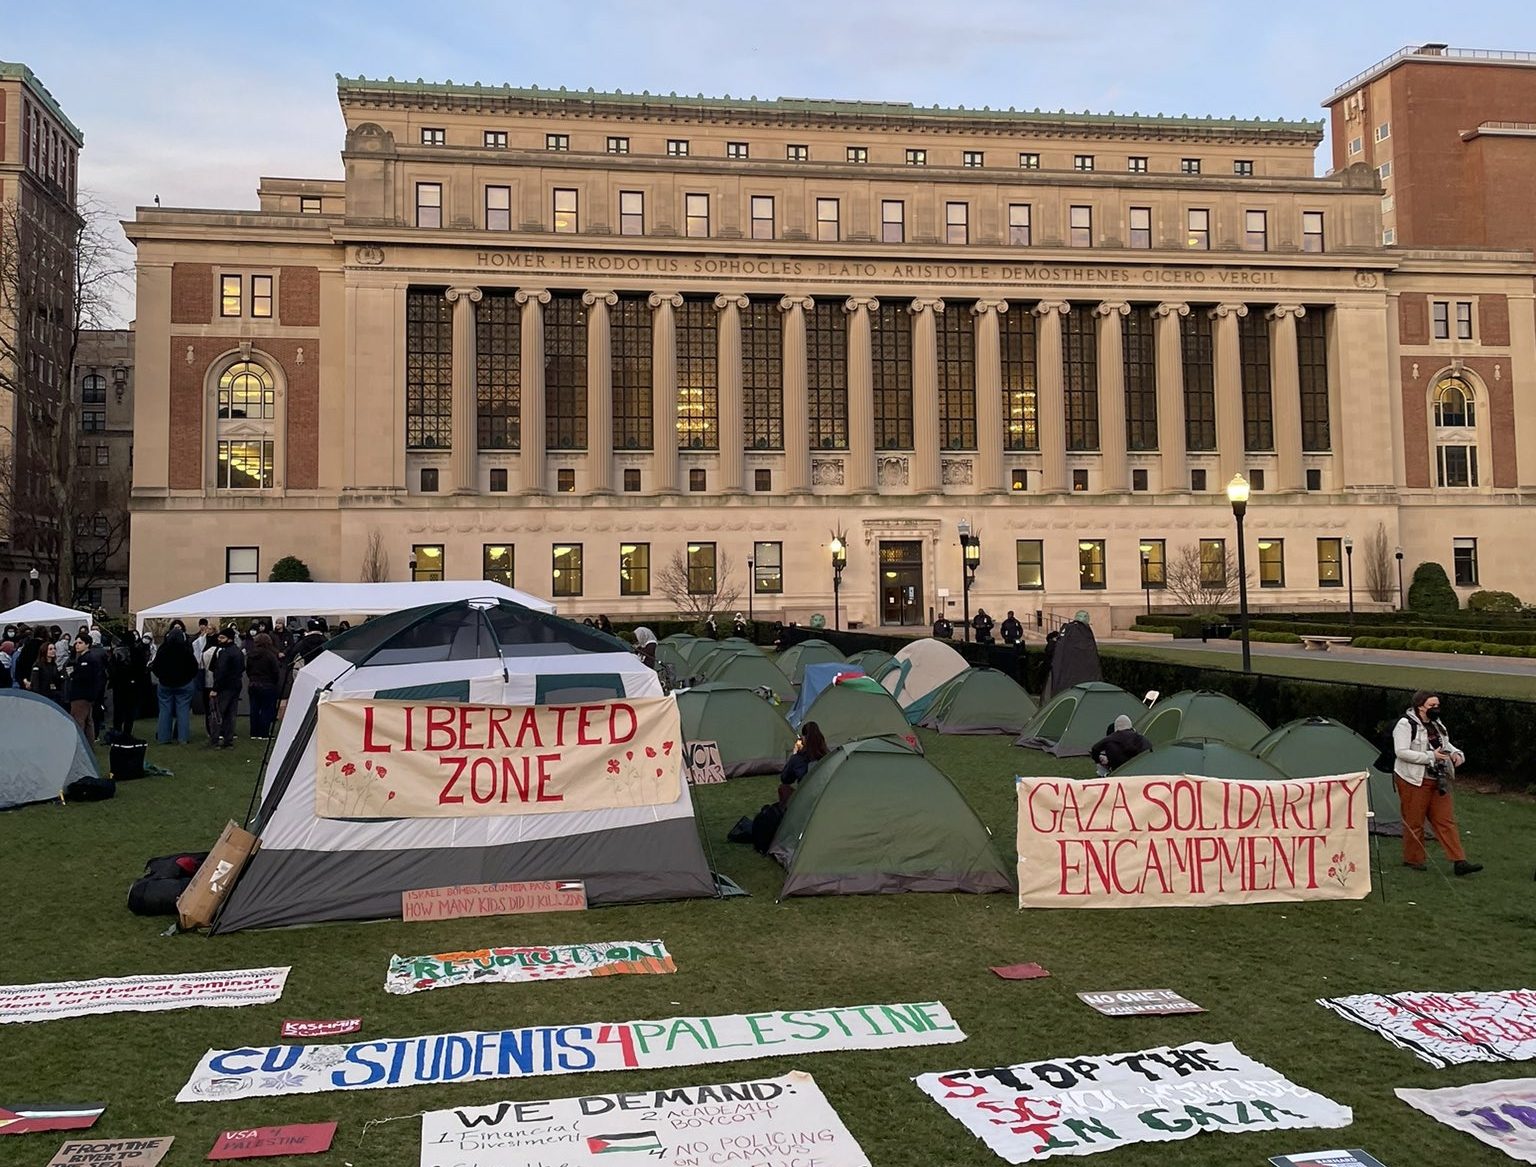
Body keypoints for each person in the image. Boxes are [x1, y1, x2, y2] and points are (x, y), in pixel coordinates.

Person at [1392, 690, 1482, 876]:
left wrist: (1456, 754)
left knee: (1446, 820)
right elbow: (1401, 752)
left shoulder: (1437, 724)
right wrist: (1430, 756)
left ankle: (1459, 861)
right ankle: (1413, 859)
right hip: (1413, 779)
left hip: (1438, 778)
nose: (1436, 709)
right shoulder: (1405, 724)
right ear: (1420, 706)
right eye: (1431, 706)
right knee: (1414, 821)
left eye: (1437, 706)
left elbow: (1445, 745)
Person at [150, 626, 199, 744]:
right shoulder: (186, 650)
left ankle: (163, 738)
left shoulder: (163, 649)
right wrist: (188, 677)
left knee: (164, 711)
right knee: (183, 711)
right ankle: (183, 738)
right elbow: (194, 667)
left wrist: (162, 677)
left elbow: (155, 666)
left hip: (165, 684)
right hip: (184, 684)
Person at [209, 626, 245, 749]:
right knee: (231, 714)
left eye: (222, 637)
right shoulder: (238, 651)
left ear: (229, 639)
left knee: (218, 714)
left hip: (224, 687)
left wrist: (215, 688)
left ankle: (215, 740)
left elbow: (220, 671)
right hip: (236, 685)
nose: (219, 639)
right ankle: (228, 740)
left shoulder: (225, 653)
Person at [778, 721, 830, 802]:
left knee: (783, 788)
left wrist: (794, 754)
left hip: (807, 798)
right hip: (825, 795)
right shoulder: (828, 755)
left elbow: (785, 778)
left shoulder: (798, 759)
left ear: (804, 739)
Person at [66, 633, 104, 740]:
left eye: (80, 643)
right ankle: (88, 746)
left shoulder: (87, 659)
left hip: (81, 695)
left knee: (79, 721)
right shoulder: (83, 658)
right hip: (86, 695)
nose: (77, 645)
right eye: (76, 643)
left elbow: (84, 677)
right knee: (88, 721)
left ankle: (80, 746)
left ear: (87, 644)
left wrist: (73, 675)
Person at [245, 631, 282, 739]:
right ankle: (264, 732)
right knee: (267, 709)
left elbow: (248, 669)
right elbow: (275, 671)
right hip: (267, 684)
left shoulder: (250, 655)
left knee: (254, 709)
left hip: (253, 683)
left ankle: (254, 732)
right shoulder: (270, 655)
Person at [28, 641, 65, 706]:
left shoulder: (54, 665)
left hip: (53, 695)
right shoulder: (38, 665)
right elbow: (35, 682)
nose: (53, 651)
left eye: (54, 649)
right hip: (42, 696)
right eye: (50, 649)